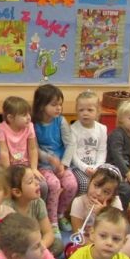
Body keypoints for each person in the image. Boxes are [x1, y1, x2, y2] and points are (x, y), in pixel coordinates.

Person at [32, 84, 78, 235]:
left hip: (61, 164)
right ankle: (52, 222)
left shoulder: (61, 121)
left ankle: (59, 214)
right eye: (54, 105)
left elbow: (70, 144)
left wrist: (64, 164)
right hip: (44, 165)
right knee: (53, 184)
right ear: (41, 105)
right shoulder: (33, 124)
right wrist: (49, 159)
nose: (58, 108)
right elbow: (33, 148)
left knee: (71, 185)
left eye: (60, 104)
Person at [7, 164, 62, 258]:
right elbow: (7, 240)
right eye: (30, 181)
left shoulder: (38, 203)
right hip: (16, 249)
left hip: (35, 245)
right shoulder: (8, 208)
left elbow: (48, 233)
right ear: (17, 192)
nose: (37, 183)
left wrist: (41, 246)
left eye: (35, 178)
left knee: (58, 245)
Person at [106, 98, 130, 208]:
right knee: (126, 190)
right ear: (121, 119)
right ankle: (119, 213)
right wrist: (128, 173)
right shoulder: (117, 134)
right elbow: (117, 156)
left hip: (123, 171)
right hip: (111, 171)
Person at [69, 89, 108, 197]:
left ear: (98, 111)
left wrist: (97, 167)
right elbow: (72, 155)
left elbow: (102, 151)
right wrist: (85, 168)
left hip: (97, 166)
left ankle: (99, 204)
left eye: (90, 110)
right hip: (78, 167)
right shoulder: (73, 129)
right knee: (85, 183)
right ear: (76, 111)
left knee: (106, 182)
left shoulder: (102, 129)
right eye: (81, 110)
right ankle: (81, 205)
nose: (85, 113)